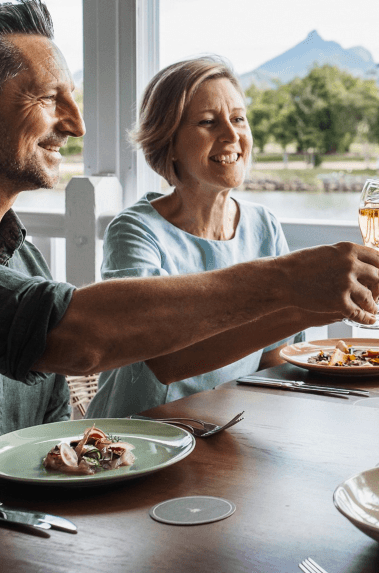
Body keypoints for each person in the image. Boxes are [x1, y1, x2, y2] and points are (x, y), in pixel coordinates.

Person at [0, 0, 379, 527]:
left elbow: (57, 444)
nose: (76, 125)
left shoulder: (22, 260)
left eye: (73, 100)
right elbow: (76, 335)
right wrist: (284, 281)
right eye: (47, 98)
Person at [87, 56, 306, 418]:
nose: (232, 135)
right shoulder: (136, 232)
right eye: (207, 122)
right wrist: (306, 308)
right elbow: (164, 362)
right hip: (135, 439)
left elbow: (275, 354)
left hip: (225, 431)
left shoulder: (264, 225)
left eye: (238, 118)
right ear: (168, 142)